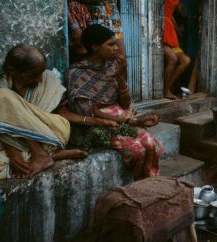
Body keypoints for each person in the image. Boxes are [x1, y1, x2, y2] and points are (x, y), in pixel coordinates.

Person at [0, 45, 86, 180]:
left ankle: (40, 154)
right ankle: (50, 156)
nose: (39, 79)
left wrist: (95, 121)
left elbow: (63, 113)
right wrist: (13, 153)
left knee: (2, 96)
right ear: (13, 71)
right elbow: (2, 126)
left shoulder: (48, 78)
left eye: (41, 73)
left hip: (54, 132)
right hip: (20, 144)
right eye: (33, 75)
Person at [60, 24, 162, 179]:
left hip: (119, 116)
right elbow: (89, 112)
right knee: (137, 150)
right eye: (111, 44)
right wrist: (131, 121)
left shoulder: (114, 65)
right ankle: (139, 187)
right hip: (96, 124)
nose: (116, 48)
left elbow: (125, 104)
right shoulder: (76, 72)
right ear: (95, 47)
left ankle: (149, 184)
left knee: (151, 144)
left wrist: (120, 76)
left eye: (116, 43)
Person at [162, 0, 210, 100]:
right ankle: (166, 90)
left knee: (186, 60)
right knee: (173, 59)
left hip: (170, 31)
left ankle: (167, 87)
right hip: (161, 29)